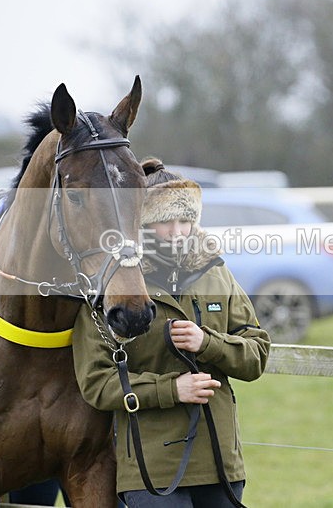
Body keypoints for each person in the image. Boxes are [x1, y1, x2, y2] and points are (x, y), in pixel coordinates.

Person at [72, 158, 271, 507]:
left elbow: (256, 355)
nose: (179, 232)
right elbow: (97, 382)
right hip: (152, 467)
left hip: (221, 461)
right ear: (141, 226)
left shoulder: (217, 272)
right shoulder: (111, 287)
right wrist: (170, 389)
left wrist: (207, 343)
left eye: (186, 220)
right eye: (166, 222)